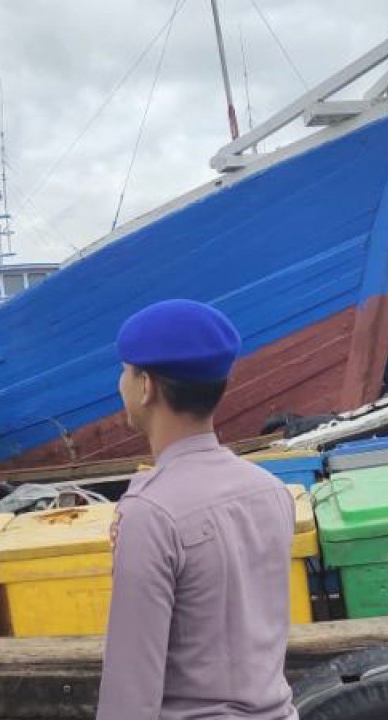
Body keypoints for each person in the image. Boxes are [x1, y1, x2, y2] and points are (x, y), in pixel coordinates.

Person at [98, 299, 297, 720]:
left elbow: (131, 688)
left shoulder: (149, 512)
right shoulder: (270, 491)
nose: (121, 383)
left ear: (146, 386)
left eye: (125, 371)